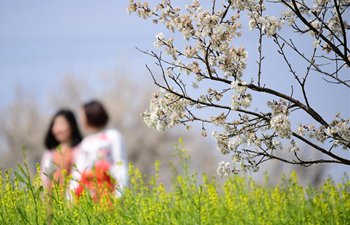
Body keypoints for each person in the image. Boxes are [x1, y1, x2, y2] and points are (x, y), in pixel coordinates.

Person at [70, 100, 128, 200]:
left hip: (109, 190)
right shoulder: (86, 142)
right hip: (88, 195)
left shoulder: (113, 136)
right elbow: (78, 170)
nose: (80, 120)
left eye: (82, 115)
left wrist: (120, 193)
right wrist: (71, 195)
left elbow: (119, 163)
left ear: (91, 115)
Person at [41, 109, 83, 189]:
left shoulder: (80, 150)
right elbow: (43, 179)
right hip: (53, 199)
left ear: (72, 125)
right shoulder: (49, 154)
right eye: (55, 125)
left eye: (62, 124)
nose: (58, 129)